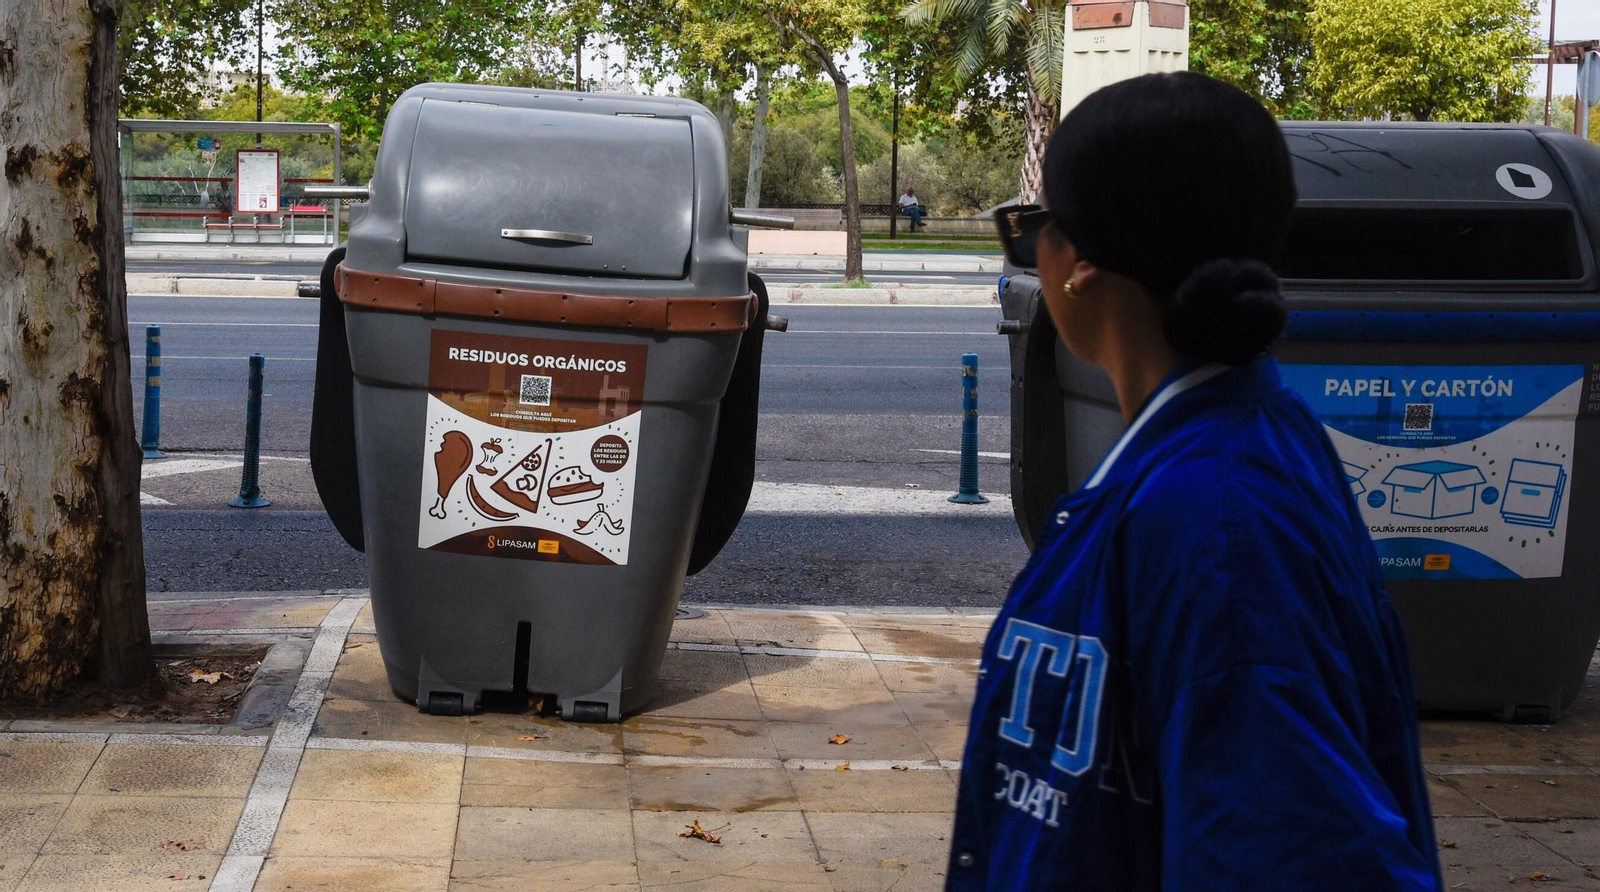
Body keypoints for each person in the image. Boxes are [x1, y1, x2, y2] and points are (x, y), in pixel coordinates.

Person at [949, 72, 1442, 891]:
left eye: (1030, 229)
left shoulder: (1218, 519)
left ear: (1078, 264)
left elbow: (1295, 853)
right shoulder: (1213, 455)